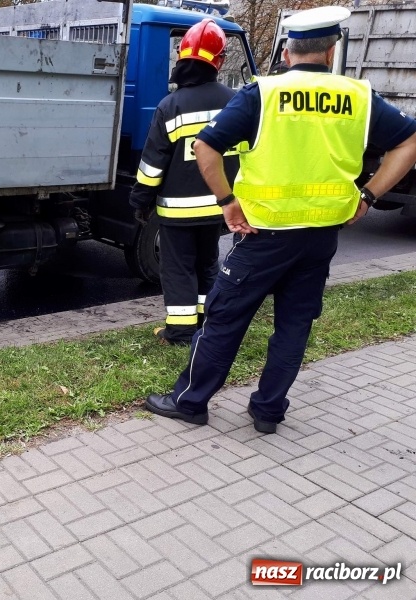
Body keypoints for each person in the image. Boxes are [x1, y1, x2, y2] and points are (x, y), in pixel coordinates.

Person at [144, 6, 416, 432]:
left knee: (225, 318)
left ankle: (190, 402)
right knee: (294, 325)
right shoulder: (359, 97)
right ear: (331, 50)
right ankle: (268, 411)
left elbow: (206, 148)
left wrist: (228, 202)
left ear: (287, 51)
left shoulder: (263, 94)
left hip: (263, 234)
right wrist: (368, 195)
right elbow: (409, 142)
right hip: (322, 235)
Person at [129, 18, 238, 346]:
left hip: (177, 211)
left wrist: (140, 201)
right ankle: (207, 322)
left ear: (182, 58)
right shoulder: (236, 101)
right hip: (219, 204)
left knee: (177, 270)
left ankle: (179, 333)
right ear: (218, 61)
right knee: (207, 263)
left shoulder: (170, 105)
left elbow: (152, 164)